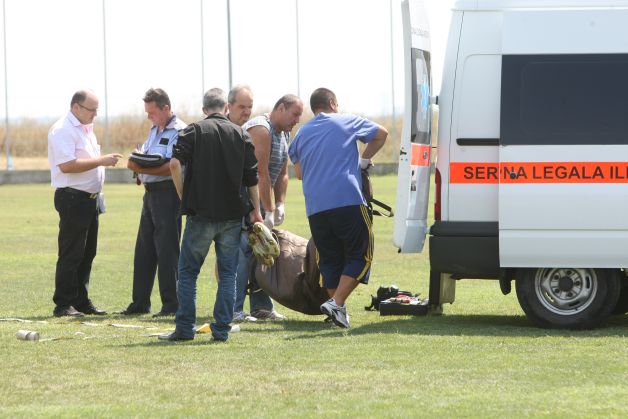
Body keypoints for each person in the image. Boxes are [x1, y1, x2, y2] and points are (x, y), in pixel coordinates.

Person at [159, 88, 262, 342]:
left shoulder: (192, 131)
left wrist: (184, 195)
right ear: (226, 107)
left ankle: (184, 329)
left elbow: (174, 164)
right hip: (231, 216)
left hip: (200, 214)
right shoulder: (242, 135)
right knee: (228, 274)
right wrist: (256, 211)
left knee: (188, 273)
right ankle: (222, 330)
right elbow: (252, 179)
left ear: (204, 109)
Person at [287, 87, 388, 328]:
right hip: (348, 200)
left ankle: (337, 311)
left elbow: (299, 173)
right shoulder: (346, 120)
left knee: (330, 259)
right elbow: (381, 134)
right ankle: (337, 302)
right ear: (332, 103)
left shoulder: (300, 134)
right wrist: (362, 161)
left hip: (316, 207)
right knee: (362, 253)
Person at [47, 89, 123, 317]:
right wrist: (102, 160)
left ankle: (81, 301)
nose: (95, 114)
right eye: (92, 109)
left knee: (88, 253)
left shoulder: (86, 129)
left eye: (97, 110)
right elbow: (67, 165)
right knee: (71, 252)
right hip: (73, 198)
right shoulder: (63, 130)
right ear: (76, 107)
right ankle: (63, 304)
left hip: (90, 200)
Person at [233, 93, 304, 322]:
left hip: (262, 204)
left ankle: (261, 307)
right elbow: (260, 174)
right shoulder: (261, 129)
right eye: (294, 114)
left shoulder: (284, 132)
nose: (297, 120)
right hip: (246, 202)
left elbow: (282, 173)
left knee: (262, 254)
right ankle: (234, 309)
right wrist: (267, 210)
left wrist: (280, 204)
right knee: (244, 254)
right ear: (281, 108)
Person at [120, 88, 187, 317]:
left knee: (167, 251)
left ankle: (171, 305)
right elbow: (148, 158)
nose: (149, 116)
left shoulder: (180, 131)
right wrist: (139, 169)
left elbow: (171, 165)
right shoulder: (153, 130)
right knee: (144, 250)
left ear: (166, 108)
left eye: (152, 112)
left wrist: (139, 166)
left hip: (168, 195)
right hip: (150, 195)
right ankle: (139, 303)